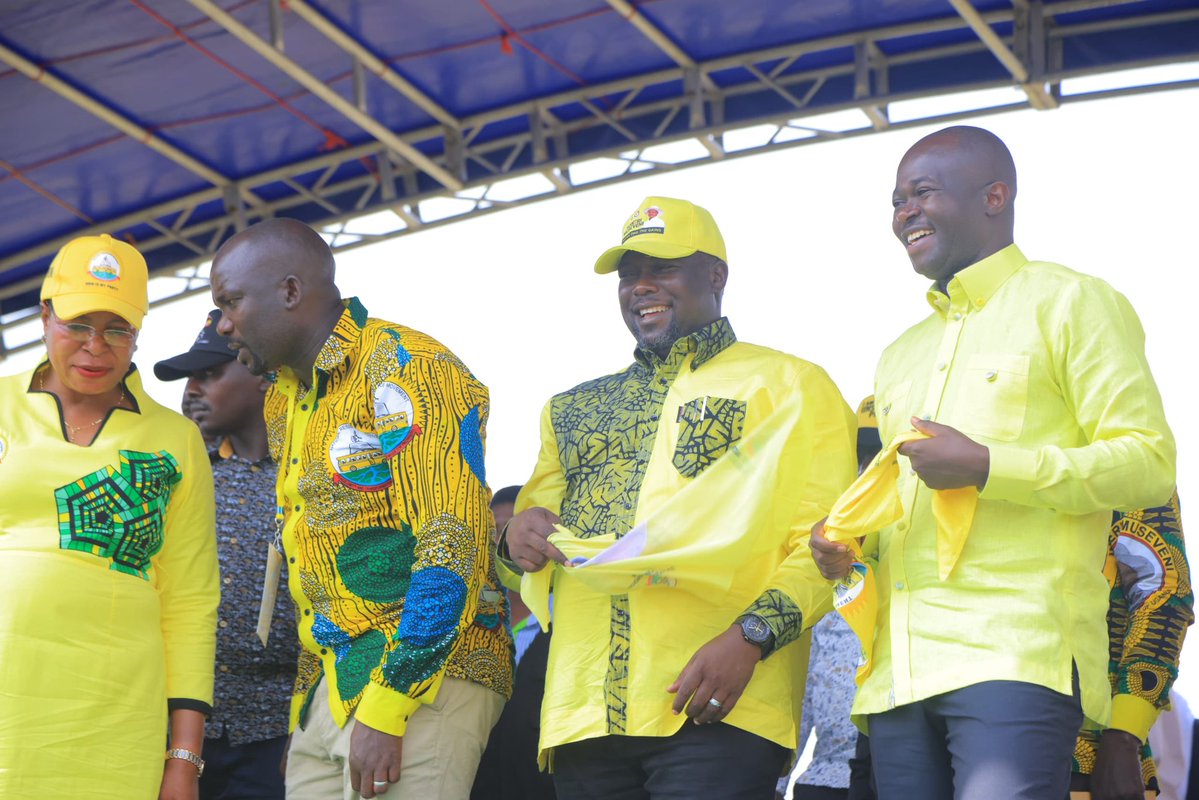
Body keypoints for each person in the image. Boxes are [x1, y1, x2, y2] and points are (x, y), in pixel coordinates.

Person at [809, 126, 1176, 800]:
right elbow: (904, 517)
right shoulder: (897, 356)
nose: (902, 214)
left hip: (1012, 656)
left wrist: (986, 465)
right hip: (895, 673)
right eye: (894, 202)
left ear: (993, 196)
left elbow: (1147, 463)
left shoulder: (1071, 301)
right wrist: (851, 555)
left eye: (920, 193)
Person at [504, 196, 856, 799]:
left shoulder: (792, 385)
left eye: (661, 268)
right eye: (627, 274)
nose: (640, 287)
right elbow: (530, 553)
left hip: (719, 699)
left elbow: (830, 541)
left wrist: (751, 638)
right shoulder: (571, 408)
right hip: (586, 709)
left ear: (715, 275)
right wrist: (515, 542)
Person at [208, 217, 512, 800]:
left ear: (290, 292)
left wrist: (390, 703)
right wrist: (308, 709)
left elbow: (454, 538)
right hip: (333, 687)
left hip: (424, 679)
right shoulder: (285, 398)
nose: (224, 325)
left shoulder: (408, 366)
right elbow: (309, 561)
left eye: (231, 303)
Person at [0, 234, 219, 799]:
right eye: (77, 324)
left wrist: (184, 760)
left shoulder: (175, 440)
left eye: (116, 329)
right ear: (44, 316)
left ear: (138, 332)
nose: (95, 347)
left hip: (115, 726)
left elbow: (191, 602)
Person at [155, 310, 299, 800]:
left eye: (209, 374)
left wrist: (309, 723)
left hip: (279, 728)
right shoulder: (181, 473)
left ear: (261, 376)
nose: (192, 389)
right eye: (189, 378)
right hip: (181, 725)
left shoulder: (310, 472)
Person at [785, 397, 884, 800]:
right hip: (824, 780)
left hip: (897, 767)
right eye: (858, 457)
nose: (866, 471)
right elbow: (805, 678)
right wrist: (777, 779)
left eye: (879, 457)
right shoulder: (825, 552)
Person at [1071, 492, 1192, 800]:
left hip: (1089, 753)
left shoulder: (1130, 449)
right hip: (947, 707)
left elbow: (1163, 593)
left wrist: (1124, 736)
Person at [472, 485, 557, 800]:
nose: (506, 541)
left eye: (516, 528)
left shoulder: (566, 618)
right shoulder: (472, 623)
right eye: (495, 531)